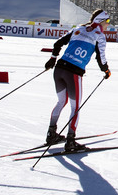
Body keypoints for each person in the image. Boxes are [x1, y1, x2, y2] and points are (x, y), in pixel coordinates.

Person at [44, 9, 112, 151]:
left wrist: (52, 59)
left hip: (59, 69)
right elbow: (101, 57)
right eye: (107, 22)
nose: (108, 25)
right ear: (100, 21)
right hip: (73, 73)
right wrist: (106, 70)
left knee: (61, 102)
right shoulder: (99, 35)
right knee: (75, 108)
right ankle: (70, 141)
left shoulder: (79, 28)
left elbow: (58, 44)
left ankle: (51, 134)